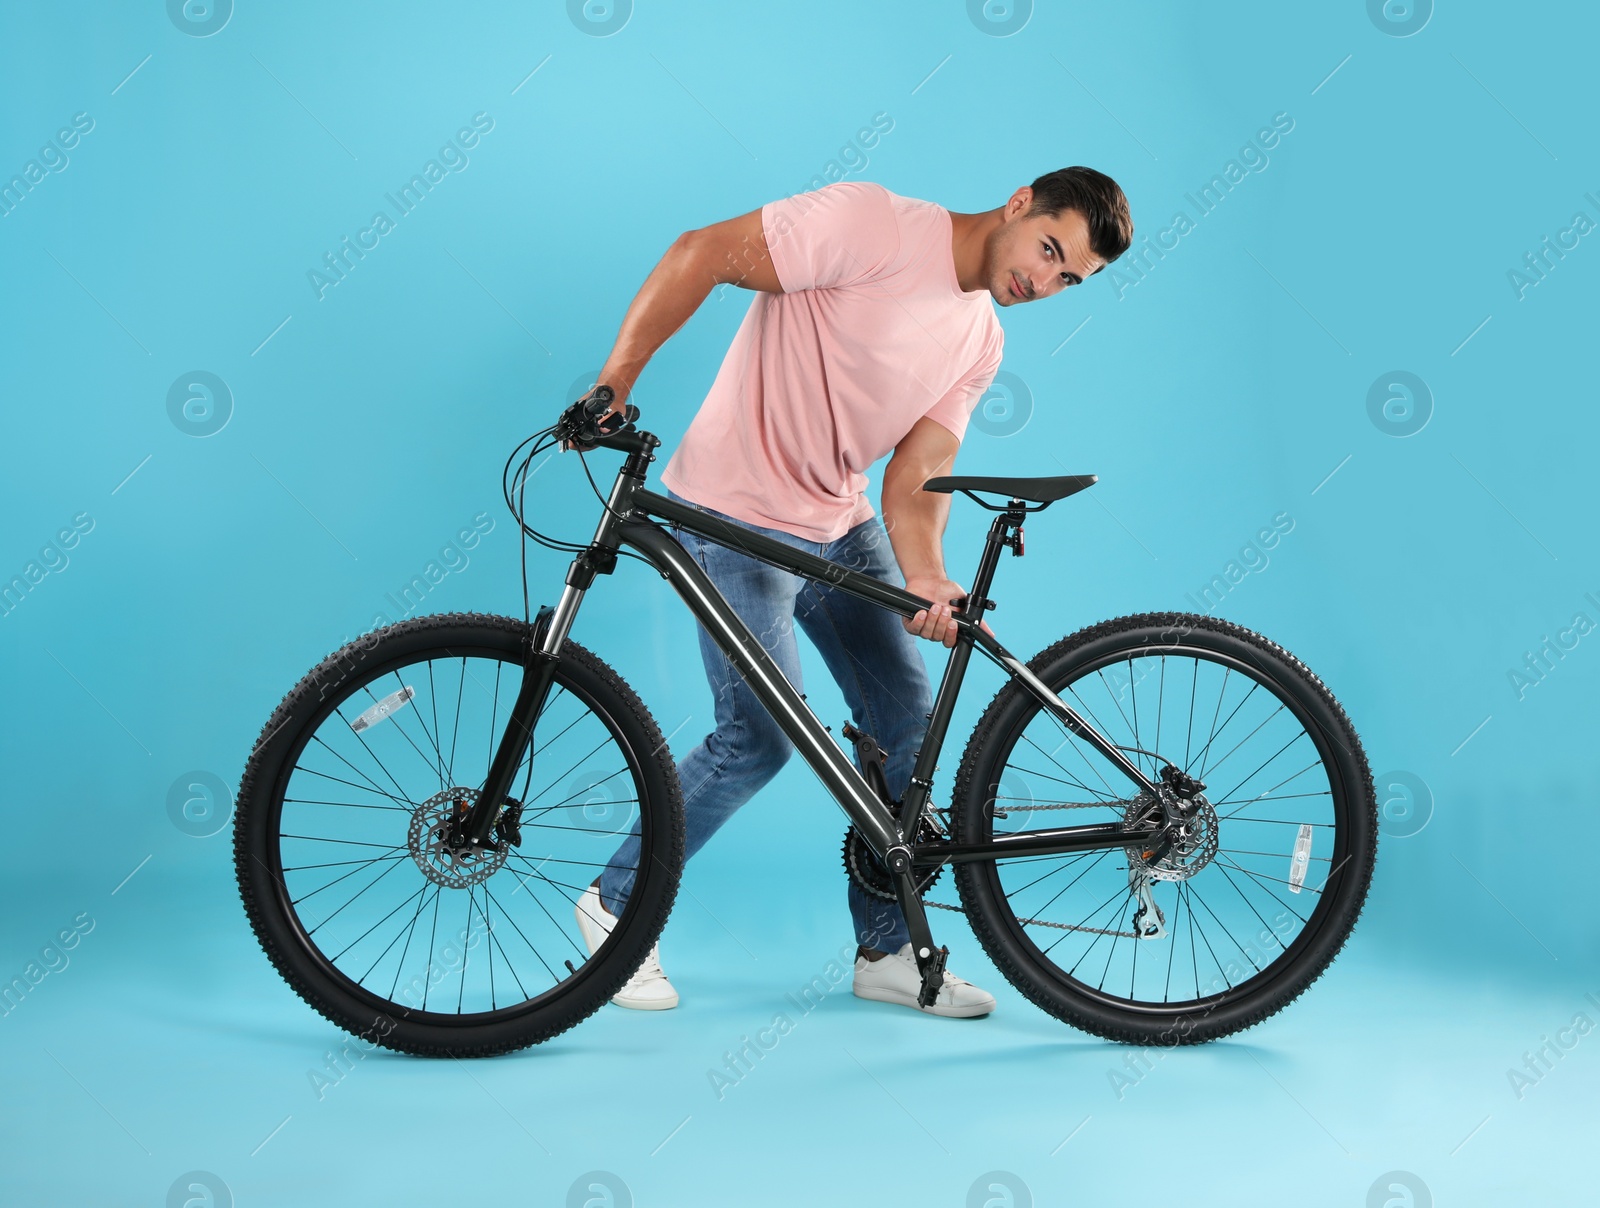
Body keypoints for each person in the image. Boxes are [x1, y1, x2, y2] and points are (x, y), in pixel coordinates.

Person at [571, 168, 1132, 1017]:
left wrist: (925, 575)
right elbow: (703, 253)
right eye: (1051, 250)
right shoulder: (871, 224)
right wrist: (616, 382)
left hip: (838, 520)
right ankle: (616, 906)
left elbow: (916, 472)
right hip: (733, 512)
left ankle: (886, 951)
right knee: (757, 738)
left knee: (906, 727)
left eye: (1069, 280)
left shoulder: (981, 339)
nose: (1044, 282)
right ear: (1019, 204)